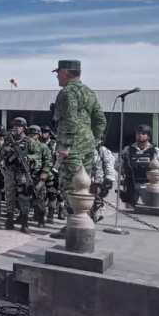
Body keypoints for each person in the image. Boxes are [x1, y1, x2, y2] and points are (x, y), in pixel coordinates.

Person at [51, 60, 106, 238]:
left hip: (72, 146)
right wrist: (94, 140)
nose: (57, 76)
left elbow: (70, 120)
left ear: (66, 73)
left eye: (58, 72)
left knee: (70, 186)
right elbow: (100, 120)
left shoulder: (67, 92)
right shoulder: (89, 92)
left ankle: (75, 225)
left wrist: (66, 145)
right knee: (84, 186)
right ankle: (83, 222)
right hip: (87, 145)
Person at [119, 124, 159, 207]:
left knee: (150, 208)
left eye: (143, 133)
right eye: (138, 133)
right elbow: (118, 165)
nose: (140, 135)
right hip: (131, 184)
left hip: (148, 185)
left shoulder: (156, 151)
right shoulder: (127, 149)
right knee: (129, 210)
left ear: (148, 136)